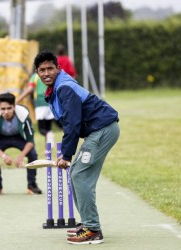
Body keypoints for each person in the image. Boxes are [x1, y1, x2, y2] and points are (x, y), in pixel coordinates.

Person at [34, 51, 120, 245]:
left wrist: (66, 154)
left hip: (103, 129)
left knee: (79, 174)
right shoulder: (56, 88)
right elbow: (70, 123)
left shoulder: (64, 87)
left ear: (58, 68)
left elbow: (72, 123)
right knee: (77, 173)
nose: (46, 73)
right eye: (42, 70)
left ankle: (93, 230)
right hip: (98, 130)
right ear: (37, 73)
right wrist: (67, 153)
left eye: (50, 68)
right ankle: (88, 225)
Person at [0, 92, 42, 195]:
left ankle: (32, 185)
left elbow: (30, 142)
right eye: (3, 109)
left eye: (9, 108)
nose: (6, 112)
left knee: (33, 154)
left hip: (19, 138)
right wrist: (3, 156)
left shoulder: (24, 115)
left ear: (14, 106)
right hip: (1, 139)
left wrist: (21, 156)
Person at [16, 73, 55, 145]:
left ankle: (49, 137)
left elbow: (30, 89)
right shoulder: (50, 74)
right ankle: (48, 148)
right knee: (48, 128)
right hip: (50, 103)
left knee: (41, 129)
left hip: (40, 103)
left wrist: (18, 100)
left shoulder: (35, 76)